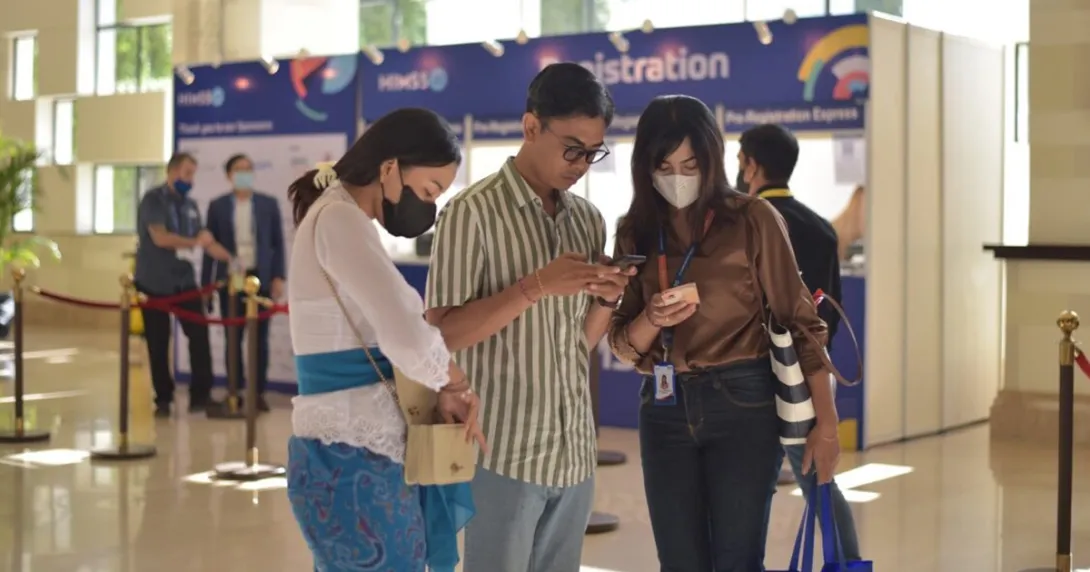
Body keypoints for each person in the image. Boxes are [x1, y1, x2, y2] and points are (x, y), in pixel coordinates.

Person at [607, 95, 839, 571]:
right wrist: (651, 317)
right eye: (664, 164)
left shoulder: (752, 220)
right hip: (664, 406)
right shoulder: (635, 232)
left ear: (711, 159)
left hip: (743, 403)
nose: (677, 176)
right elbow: (621, 342)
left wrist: (828, 423)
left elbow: (802, 323)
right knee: (679, 561)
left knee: (737, 559)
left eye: (690, 163)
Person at [424, 62, 633, 572]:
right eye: (573, 148)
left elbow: (575, 342)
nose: (582, 163)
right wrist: (536, 286)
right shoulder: (470, 213)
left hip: (574, 451)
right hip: (502, 451)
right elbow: (439, 336)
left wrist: (607, 298)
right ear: (531, 126)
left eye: (593, 152)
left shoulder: (587, 220)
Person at [284, 107, 487, 572]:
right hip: (353, 457)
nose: (429, 205)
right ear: (390, 168)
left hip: (348, 453)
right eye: (429, 189)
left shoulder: (337, 217)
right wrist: (455, 384)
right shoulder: (340, 219)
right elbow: (409, 338)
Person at [736, 123, 860, 560]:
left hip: (748, 378)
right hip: (805, 379)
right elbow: (829, 312)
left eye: (739, 160)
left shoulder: (743, 222)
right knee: (820, 483)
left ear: (751, 165)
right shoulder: (823, 230)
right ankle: (846, 563)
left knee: (748, 495)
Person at [134, 152, 232, 417]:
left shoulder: (190, 205)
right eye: (187, 173)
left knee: (199, 336)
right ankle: (163, 399)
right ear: (172, 172)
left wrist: (231, 259)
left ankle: (202, 395)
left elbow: (204, 240)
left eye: (193, 174)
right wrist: (194, 243)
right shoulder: (153, 200)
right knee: (158, 341)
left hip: (184, 282)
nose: (190, 179)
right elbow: (161, 238)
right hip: (154, 281)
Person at [201, 153, 287, 412]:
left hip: (259, 277)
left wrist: (278, 276)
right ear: (229, 175)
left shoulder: (268, 204)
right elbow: (209, 247)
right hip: (231, 280)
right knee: (233, 337)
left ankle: (257, 393)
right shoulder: (217, 206)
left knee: (260, 339)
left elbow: (277, 244)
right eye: (239, 169)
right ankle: (234, 391)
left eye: (249, 168)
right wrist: (207, 284)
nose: (245, 173)